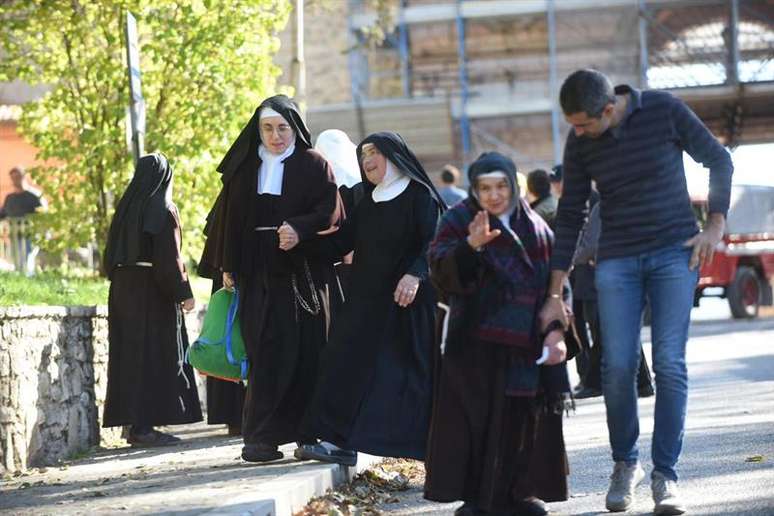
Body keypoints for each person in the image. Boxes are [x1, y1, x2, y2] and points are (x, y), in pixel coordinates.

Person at [541, 69, 733, 515]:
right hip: (619, 258)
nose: (577, 132)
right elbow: (570, 213)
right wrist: (555, 288)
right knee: (617, 364)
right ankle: (625, 464)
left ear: (609, 109)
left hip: (674, 253)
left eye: (584, 123)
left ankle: (666, 476)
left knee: (668, 362)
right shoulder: (581, 140)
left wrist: (716, 225)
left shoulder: (664, 110)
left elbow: (718, 159)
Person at [424, 151, 570, 516]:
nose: (493, 196)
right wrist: (470, 248)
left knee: (521, 421)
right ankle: (476, 500)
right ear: (473, 190)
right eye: (485, 188)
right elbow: (440, 274)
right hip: (471, 343)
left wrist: (555, 333)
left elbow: (556, 288)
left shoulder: (535, 227)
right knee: (474, 424)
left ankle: (519, 495)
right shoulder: (458, 221)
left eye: (501, 186)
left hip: (524, 344)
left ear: (513, 185)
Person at [198, 94, 342, 463]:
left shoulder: (314, 164)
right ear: (257, 130)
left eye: (282, 128)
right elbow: (229, 220)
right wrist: (228, 265)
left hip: (302, 274)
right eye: (268, 128)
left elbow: (329, 210)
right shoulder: (245, 168)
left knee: (306, 353)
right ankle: (259, 440)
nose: (275, 136)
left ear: (294, 129)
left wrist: (299, 229)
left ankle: (309, 435)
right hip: (257, 272)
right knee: (263, 353)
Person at [299, 132, 445, 464]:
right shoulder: (369, 201)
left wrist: (415, 274)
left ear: (395, 156)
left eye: (375, 152)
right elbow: (341, 243)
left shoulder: (420, 197)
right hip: (366, 304)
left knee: (403, 378)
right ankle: (339, 442)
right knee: (342, 363)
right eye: (363, 153)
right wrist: (300, 242)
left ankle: (426, 450)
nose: (367, 160)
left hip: (406, 305)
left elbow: (434, 243)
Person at [102, 153, 202, 446]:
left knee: (130, 356)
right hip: (151, 291)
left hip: (122, 289)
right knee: (152, 356)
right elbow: (168, 259)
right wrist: (183, 292)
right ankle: (143, 428)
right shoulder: (162, 209)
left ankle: (135, 424)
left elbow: (109, 257)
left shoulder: (125, 208)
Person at [572, 199, 654, 400]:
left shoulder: (604, 205)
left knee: (603, 331)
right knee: (620, 331)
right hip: (624, 277)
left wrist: (573, 258)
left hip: (600, 278)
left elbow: (590, 245)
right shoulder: (632, 203)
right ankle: (642, 382)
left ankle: (594, 382)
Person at [0, 166, 46, 275]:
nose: (15, 180)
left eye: (18, 177)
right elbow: (3, 213)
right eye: (13, 177)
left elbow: (43, 214)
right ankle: (20, 276)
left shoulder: (34, 196)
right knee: (15, 258)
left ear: (24, 177)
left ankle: (28, 276)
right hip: (14, 234)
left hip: (30, 234)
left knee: (27, 256)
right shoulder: (10, 198)